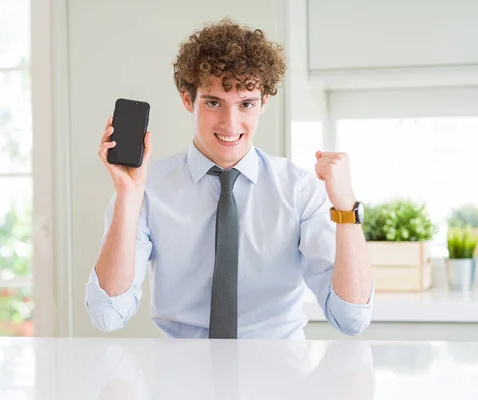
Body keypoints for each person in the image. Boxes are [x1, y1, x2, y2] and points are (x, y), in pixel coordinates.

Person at [87, 18, 374, 339]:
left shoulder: (300, 190)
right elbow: (107, 314)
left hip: (278, 376)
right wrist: (128, 195)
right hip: (180, 377)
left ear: (264, 102)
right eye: (214, 103)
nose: (230, 122)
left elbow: (350, 319)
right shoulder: (147, 191)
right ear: (187, 99)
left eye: (246, 104)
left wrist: (347, 209)